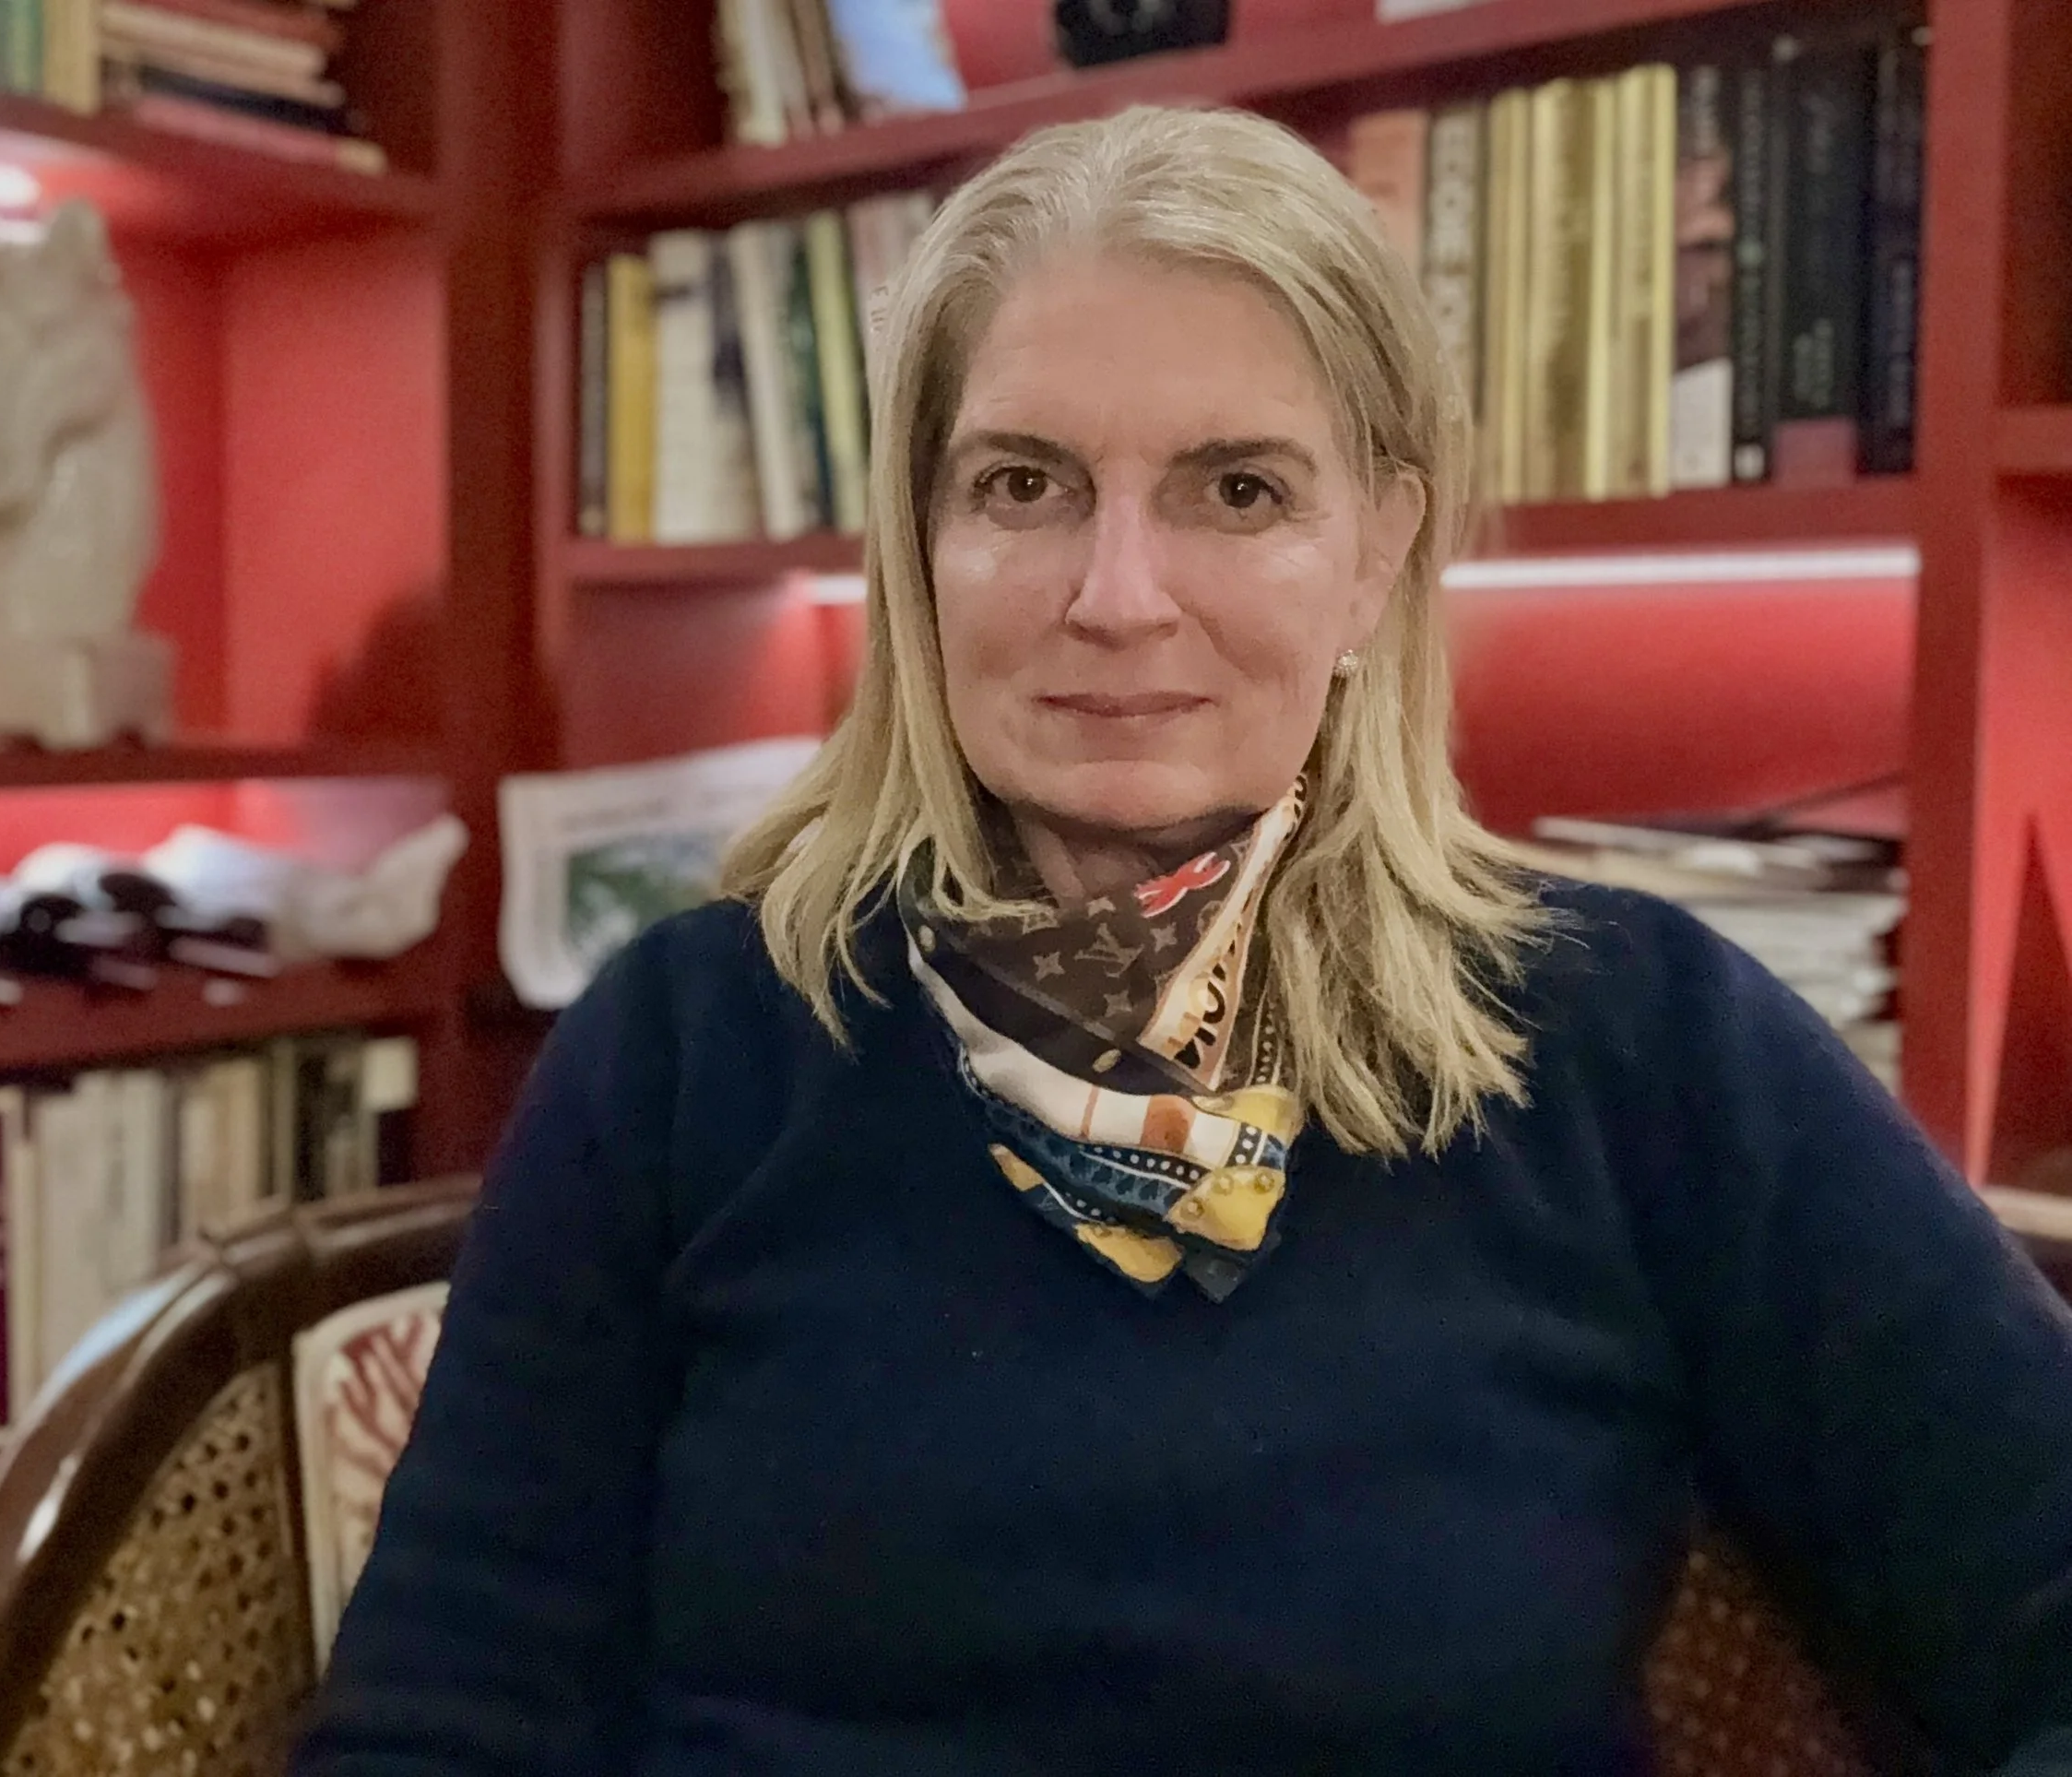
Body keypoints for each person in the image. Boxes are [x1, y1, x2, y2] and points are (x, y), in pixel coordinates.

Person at [294, 105, 2072, 1774]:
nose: (1117, 595)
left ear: (1379, 547)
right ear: (920, 540)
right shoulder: (691, 1047)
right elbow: (443, 1724)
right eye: (1022, 484)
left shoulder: (1637, 1041)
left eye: (1238, 491)